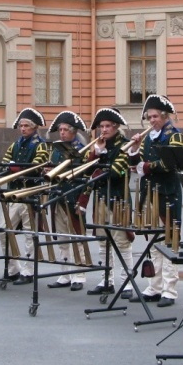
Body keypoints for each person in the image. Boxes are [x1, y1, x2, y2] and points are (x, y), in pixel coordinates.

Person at [127, 95, 183, 307]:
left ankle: (169, 290)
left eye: (154, 117)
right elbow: (138, 163)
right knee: (153, 241)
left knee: (169, 241)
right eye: (149, 117)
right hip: (149, 192)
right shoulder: (150, 136)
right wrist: (135, 149)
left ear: (164, 116)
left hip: (167, 192)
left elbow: (171, 164)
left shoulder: (174, 135)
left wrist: (147, 167)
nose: (151, 121)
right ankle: (154, 286)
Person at [77, 108, 133, 297]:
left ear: (116, 127)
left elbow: (116, 170)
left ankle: (127, 283)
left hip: (118, 199)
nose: (104, 129)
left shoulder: (124, 145)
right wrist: (97, 153)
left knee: (122, 242)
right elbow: (86, 170)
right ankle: (106, 280)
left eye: (108, 126)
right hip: (101, 198)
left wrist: (99, 165)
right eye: (101, 126)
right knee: (103, 242)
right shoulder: (99, 146)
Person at [0, 108, 49, 284]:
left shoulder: (40, 145)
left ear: (34, 128)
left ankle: (28, 271)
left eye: (26, 126)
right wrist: (13, 168)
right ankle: (13, 269)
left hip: (30, 194)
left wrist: (16, 169)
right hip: (14, 194)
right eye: (21, 125)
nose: (23, 128)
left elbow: (35, 167)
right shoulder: (16, 144)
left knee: (29, 234)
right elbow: (5, 162)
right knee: (3, 230)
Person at [45, 111, 89, 292]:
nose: (62, 133)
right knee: (62, 237)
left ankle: (79, 274)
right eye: (60, 130)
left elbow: (84, 172)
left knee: (76, 237)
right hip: (57, 196)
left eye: (65, 130)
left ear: (73, 131)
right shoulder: (56, 148)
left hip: (73, 194)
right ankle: (64, 274)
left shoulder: (81, 149)